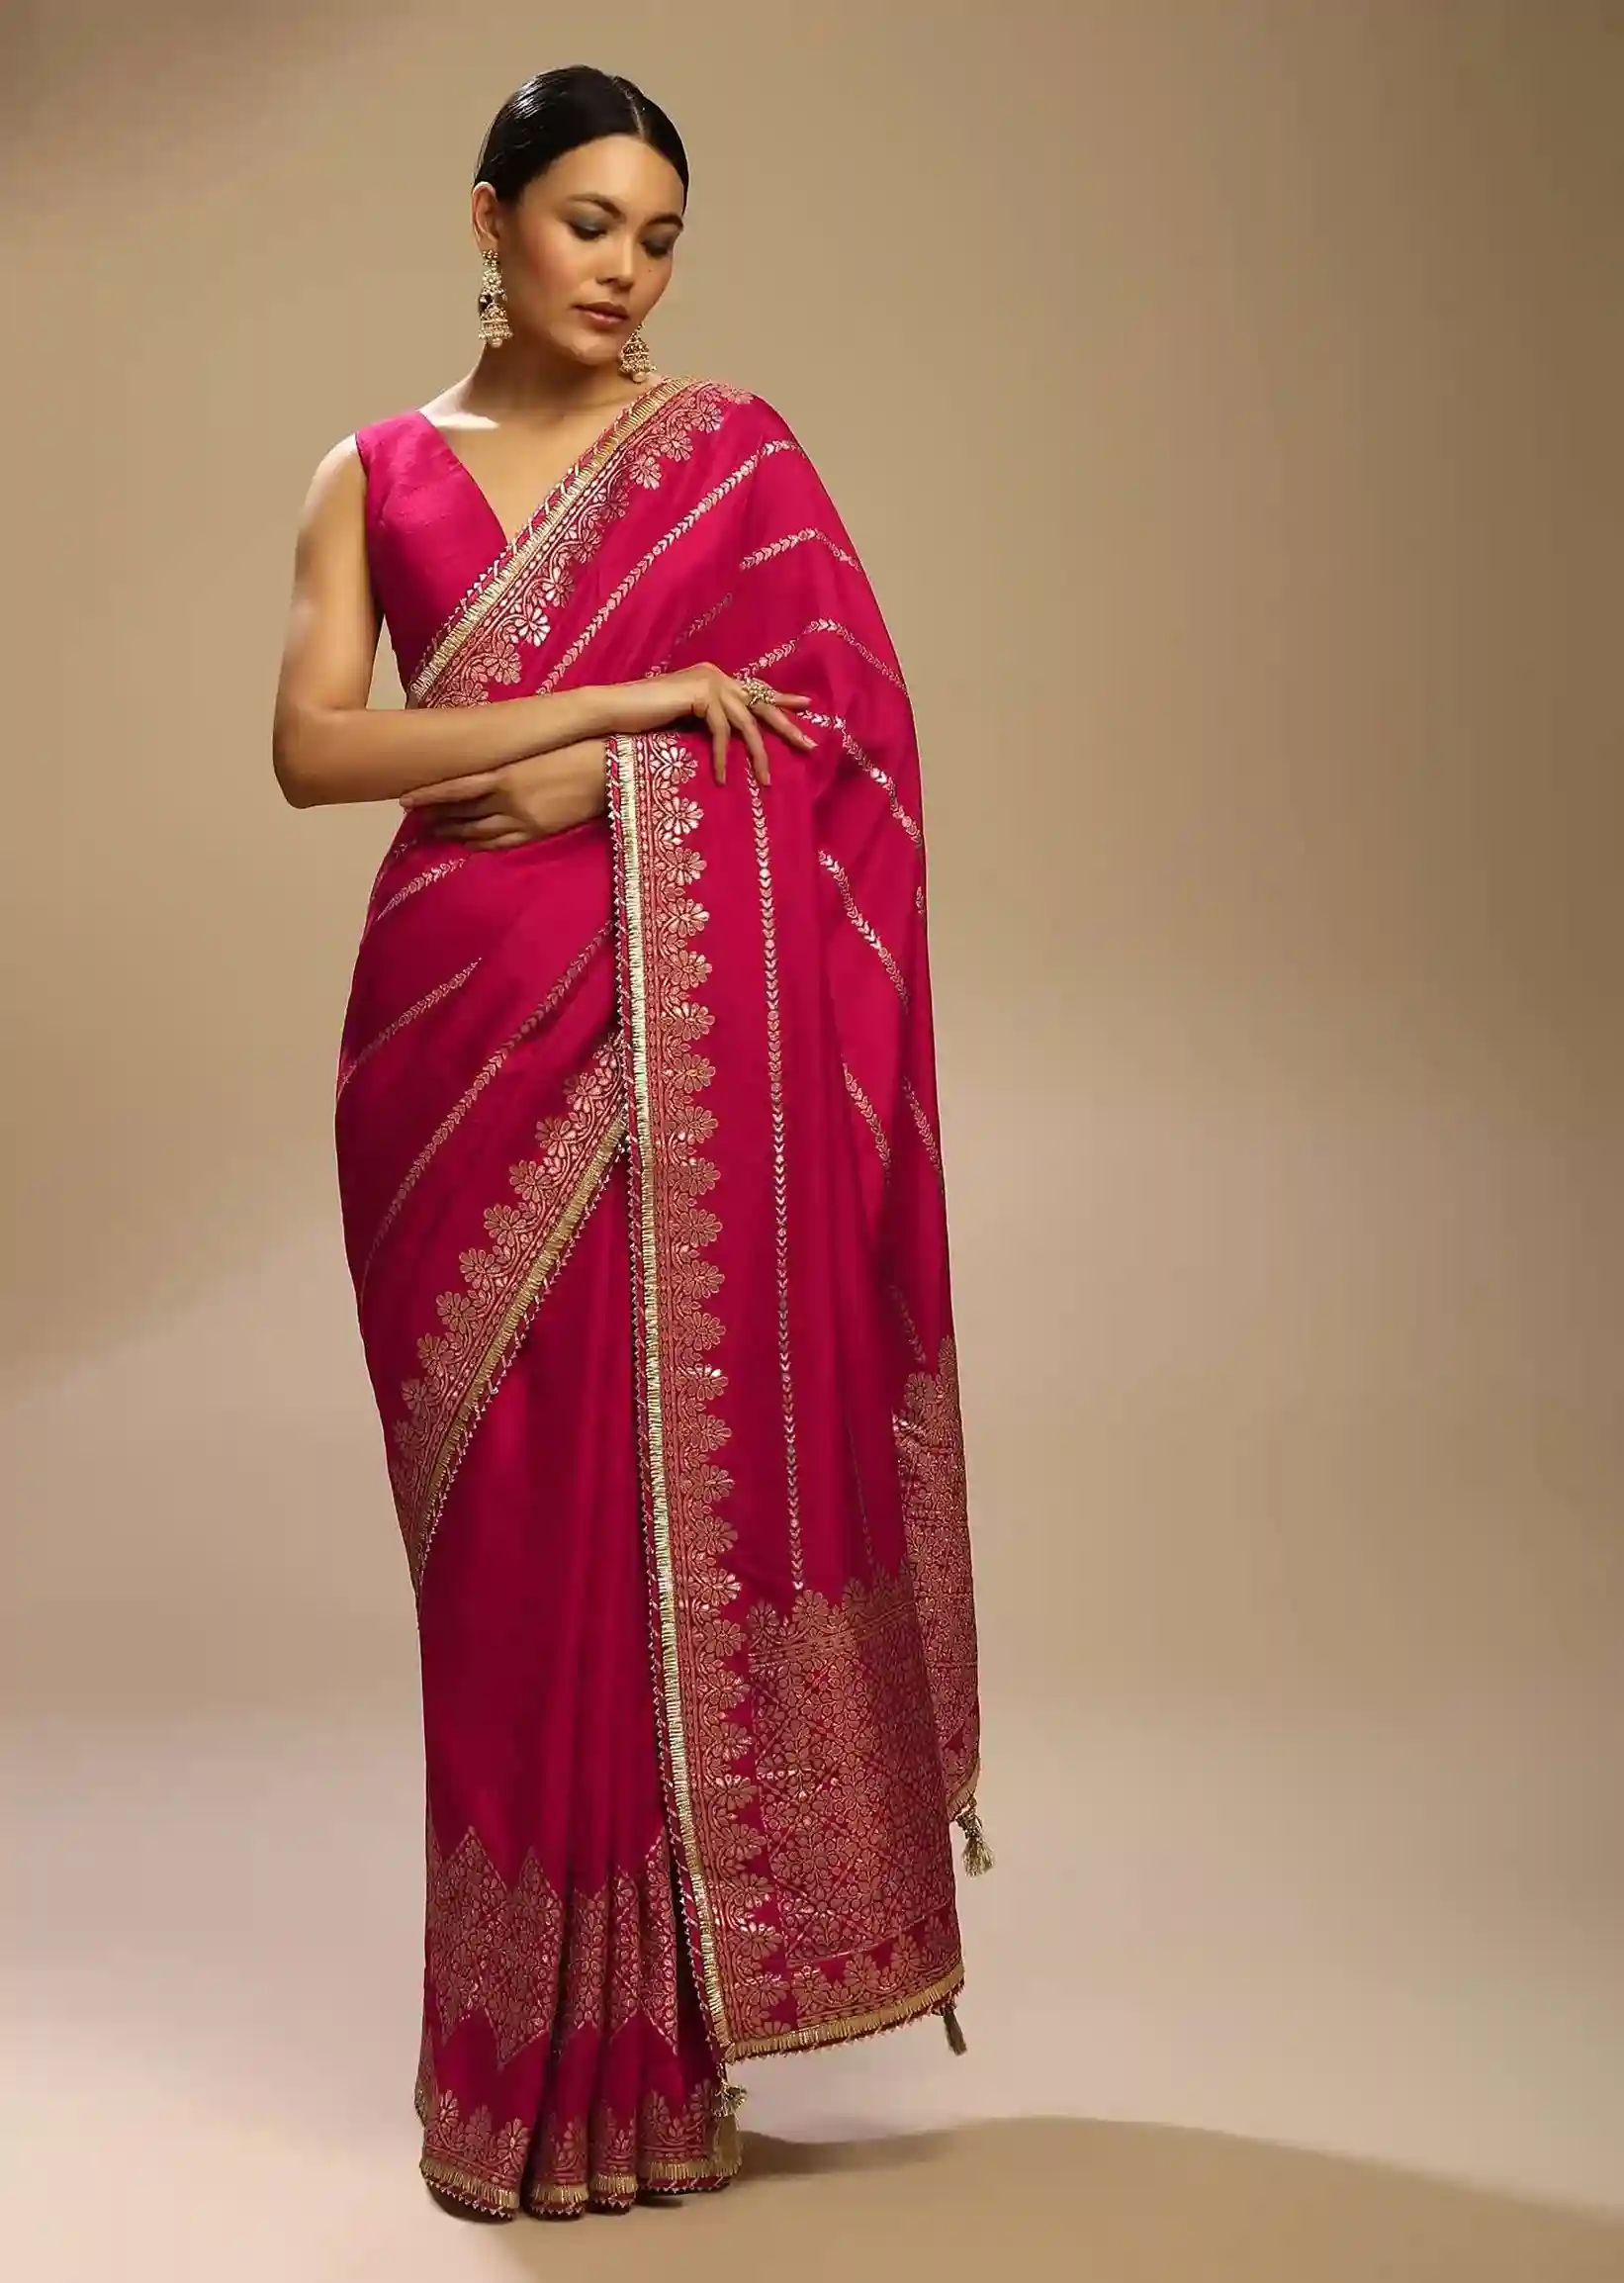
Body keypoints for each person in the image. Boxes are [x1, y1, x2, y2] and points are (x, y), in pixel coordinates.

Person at [271, 62, 987, 2224]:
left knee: (641, 1522)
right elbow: (316, 748)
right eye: (588, 221)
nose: (626, 269)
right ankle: (506, 2081)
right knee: (506, 1566)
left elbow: (850, 739)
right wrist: (611, 705)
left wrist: (618, 790)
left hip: (654, 1052)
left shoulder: (730, 458)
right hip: (446, 1041)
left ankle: (651, 2068)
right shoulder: (371, 469)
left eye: (659, 235)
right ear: (487, 219)